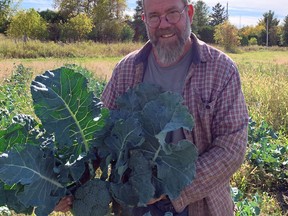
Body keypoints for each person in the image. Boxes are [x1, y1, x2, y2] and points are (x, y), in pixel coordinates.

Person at [55, 0, 249, 215]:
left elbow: (231, 149)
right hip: (132, 201)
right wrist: (71, 185)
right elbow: (98, 134)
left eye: (172, 13)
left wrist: (169, 188)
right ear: (145, 20)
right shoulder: (126, 69)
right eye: (154, 16)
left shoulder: (221, 70)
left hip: (196, 202)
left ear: (190, 13)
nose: (163, 24)